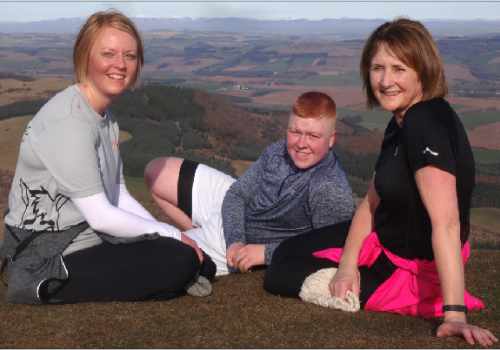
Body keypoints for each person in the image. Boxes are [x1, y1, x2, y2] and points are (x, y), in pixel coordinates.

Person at [264, 18, 498, 347]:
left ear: (423, 71)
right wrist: (347, 265)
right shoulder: (399, 121)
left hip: (410, 271)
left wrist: (455, 314)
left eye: (399, 69)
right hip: (383, 239)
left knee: (281, 275)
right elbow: (371, 203)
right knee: (286, 253)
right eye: (378, 68)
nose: (386, 80)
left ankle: (359, 290)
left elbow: (446, 224)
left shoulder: (424, 123)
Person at [0, 10, 215, 304]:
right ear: (85, 57)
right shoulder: (69, 120)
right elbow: (102, 215)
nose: (120, 64)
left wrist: (165, 236)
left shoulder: (106, 119)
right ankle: (40, 287)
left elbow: (119, 195)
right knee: (179, 262)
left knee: (193, 259)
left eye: (130, 55)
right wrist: (174, 236)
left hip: (87, 237)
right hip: (47, 252)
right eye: (109, 54)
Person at [144, 91, 355, 276]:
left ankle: (199, 245)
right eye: (295, 132)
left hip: (242, 242)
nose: (301, 144)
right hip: (235, 221)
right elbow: (237, 194)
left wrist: (263, 253)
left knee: (153, 256)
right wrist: (235, 237)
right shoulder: (277, 151)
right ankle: (196, 232)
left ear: (331, 139)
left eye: (313, 136)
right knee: (156, 171)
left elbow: (327, 247)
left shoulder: (329, 188)